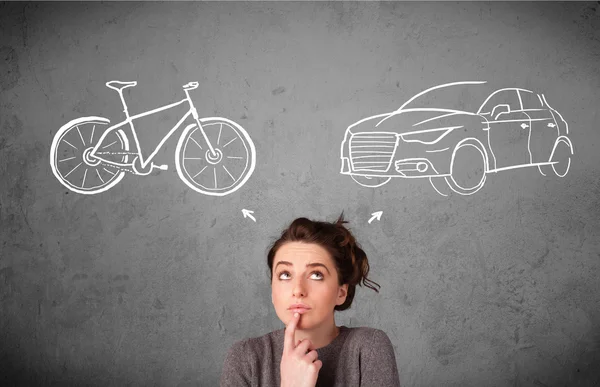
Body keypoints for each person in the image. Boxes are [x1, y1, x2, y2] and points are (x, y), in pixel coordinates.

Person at [220, 214, 401, 387]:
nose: (298, 290)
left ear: (341, 292)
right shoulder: (246, 357)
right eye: (285, 275)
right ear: (272, 290)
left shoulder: (368, 349)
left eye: (316, 275)